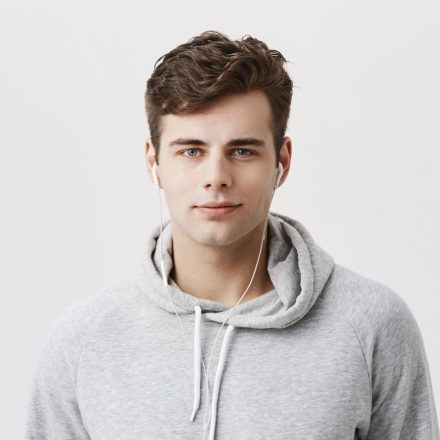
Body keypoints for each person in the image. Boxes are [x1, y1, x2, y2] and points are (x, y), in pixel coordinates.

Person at [25, 30, 439, 440]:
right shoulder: (81, 342)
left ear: (282, 161)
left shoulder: (371, 324)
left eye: (242, 151)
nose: (216, 177)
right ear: (154, 162)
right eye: (191, 151)